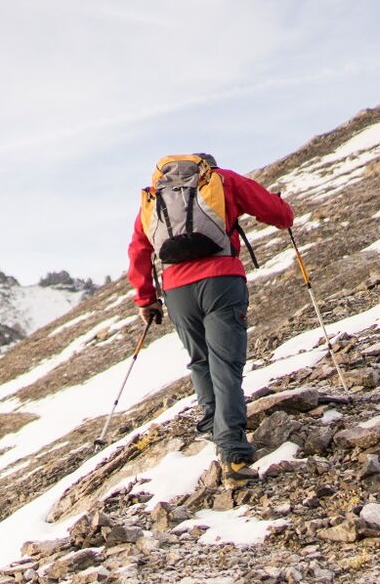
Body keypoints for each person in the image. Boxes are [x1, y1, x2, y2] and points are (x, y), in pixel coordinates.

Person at [126, 153, 294, 487]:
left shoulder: (155, 195)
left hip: (177, 290)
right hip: (221, 281)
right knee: (225, 365)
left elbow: (139, 249)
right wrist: (283, 209)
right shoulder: (223, 179)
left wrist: (146, 299)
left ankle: (213, 426)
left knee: (200, 360)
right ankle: (233, 453)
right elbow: (279, 214)